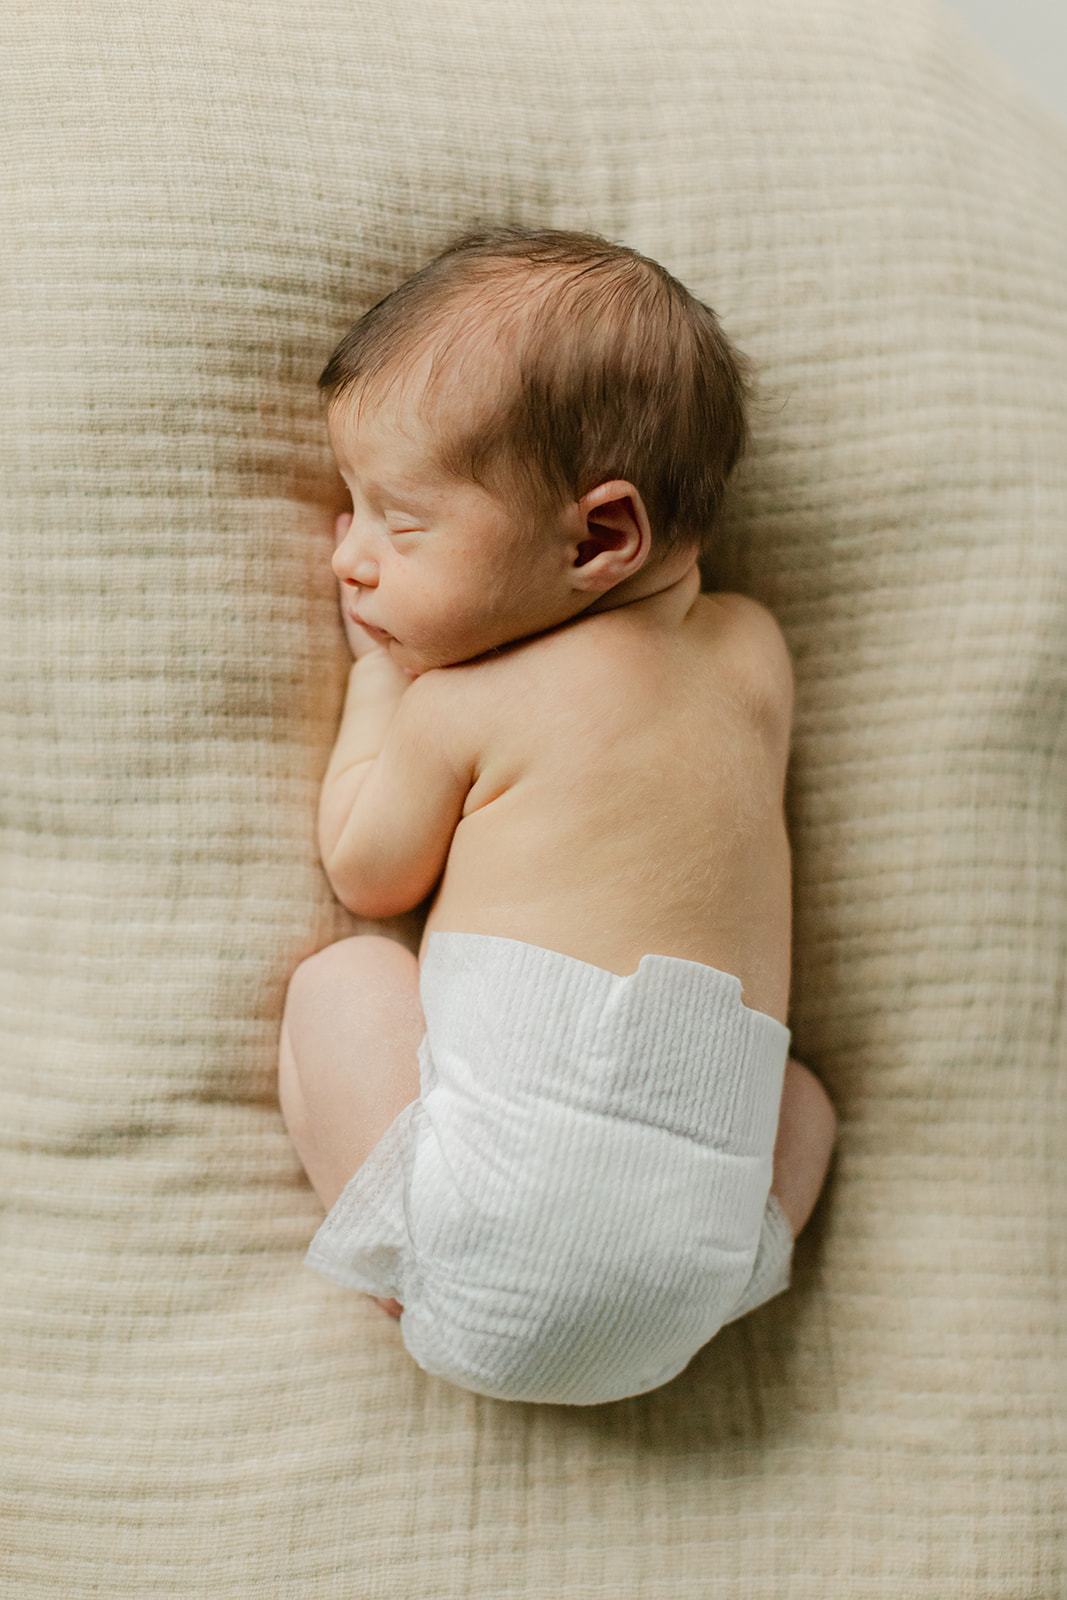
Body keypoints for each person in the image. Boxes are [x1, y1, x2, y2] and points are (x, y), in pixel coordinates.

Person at [278, 225, 836, 1405]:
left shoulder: (462, 702)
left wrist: (381, 681)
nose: (350, 559)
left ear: (597, 537)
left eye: (399, 522)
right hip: (695, 1289)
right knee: (806, 1104)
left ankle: (406, 1262)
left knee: (340, 979)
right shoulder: (756, 656)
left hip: (485, 1237)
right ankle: (675, 1290)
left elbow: (365, 871)